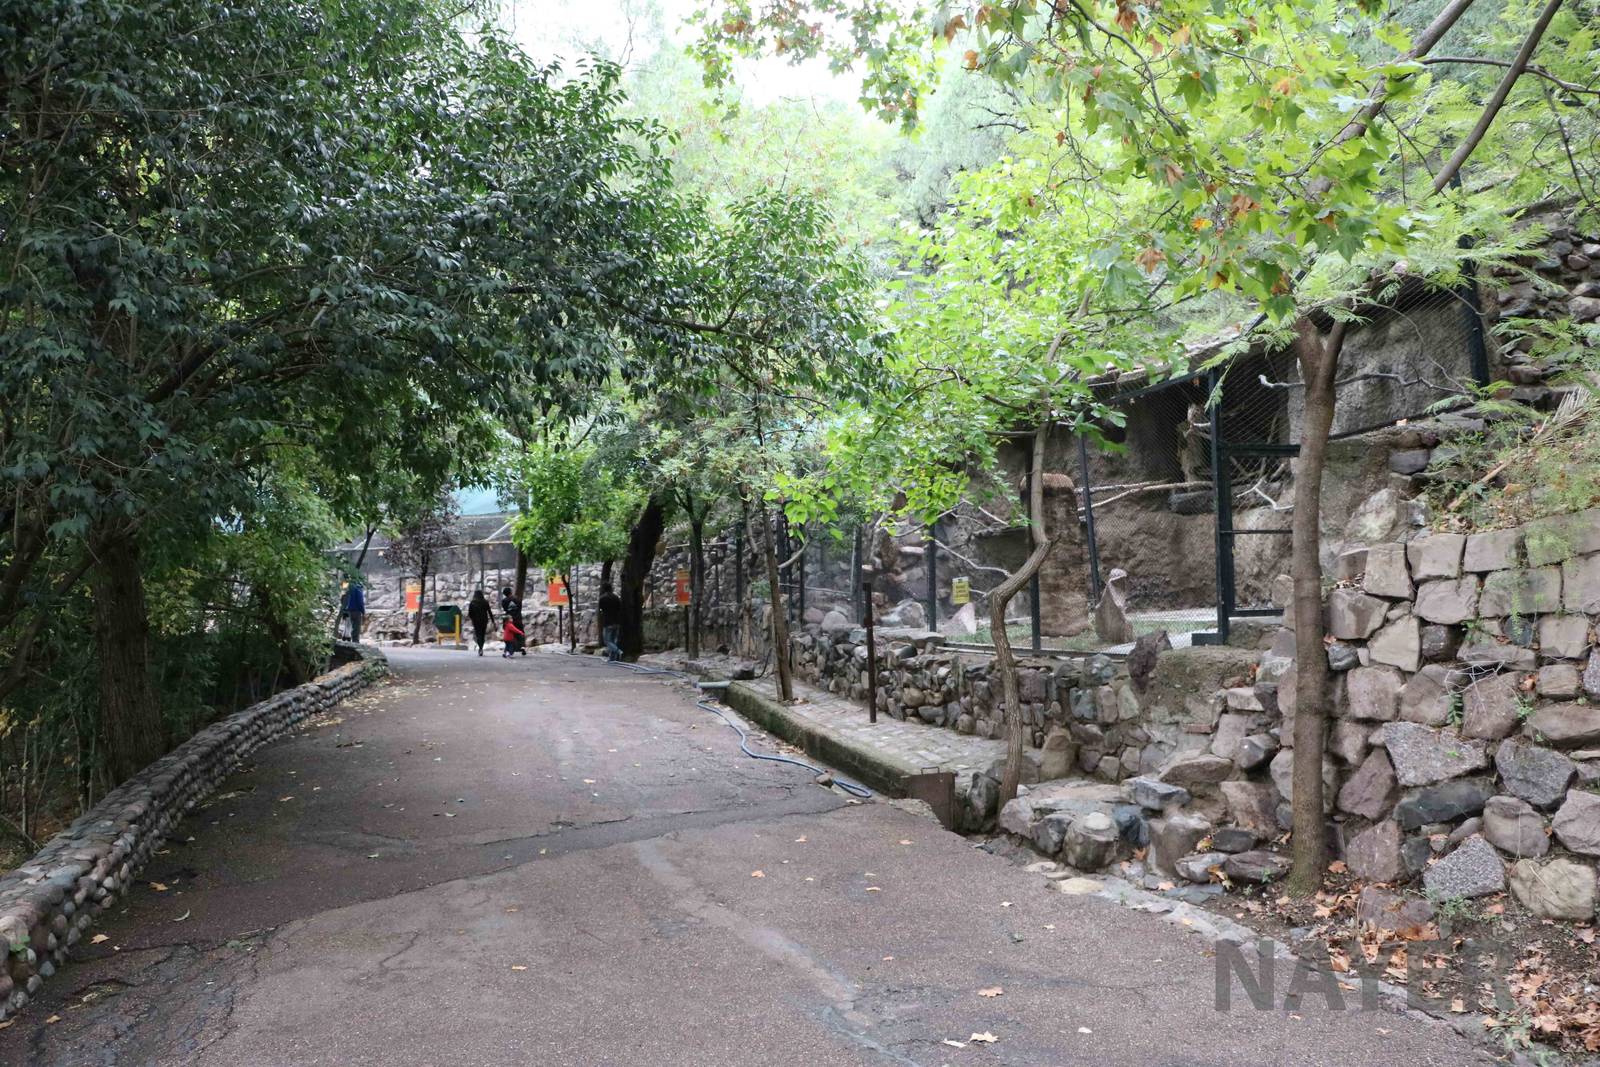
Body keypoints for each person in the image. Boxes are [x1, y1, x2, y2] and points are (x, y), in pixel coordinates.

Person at [596, 581, 623, 662]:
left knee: (607, 641)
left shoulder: (602, 598)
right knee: (614, 640)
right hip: (617, 621)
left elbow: (600, 610)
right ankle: (612, 659)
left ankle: (618, 651)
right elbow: (619, 608)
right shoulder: (616, 597)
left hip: (608, 622)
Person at [467, 589, 495, 657]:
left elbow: (470, 613)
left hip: (476, 621)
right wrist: (493, 620)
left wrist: (473, 619)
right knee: (482, 634)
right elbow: (489, 612)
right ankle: (481, 647)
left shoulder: (472, 603)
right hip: (484, 620)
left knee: (478, 634)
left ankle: (480, 648)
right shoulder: (485, 602)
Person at [500, 586, 526, 655]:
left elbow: (505, 610)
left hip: (509, 620)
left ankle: (511, 649)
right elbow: (520, 608)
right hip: (518, 618)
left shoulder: (504, 601)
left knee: (511, 635)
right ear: (511, 592)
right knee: (521, 632)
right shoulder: (517, 599)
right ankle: (522, 646)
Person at [344, 580, 366, 644]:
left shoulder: (347, 586)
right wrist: (363, 612)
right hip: (356, 611)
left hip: (347, 610)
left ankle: (346, 641)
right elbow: (360, 602)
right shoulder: (358, 588)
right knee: (356, 628)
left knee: (347, 627)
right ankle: (355, 642)